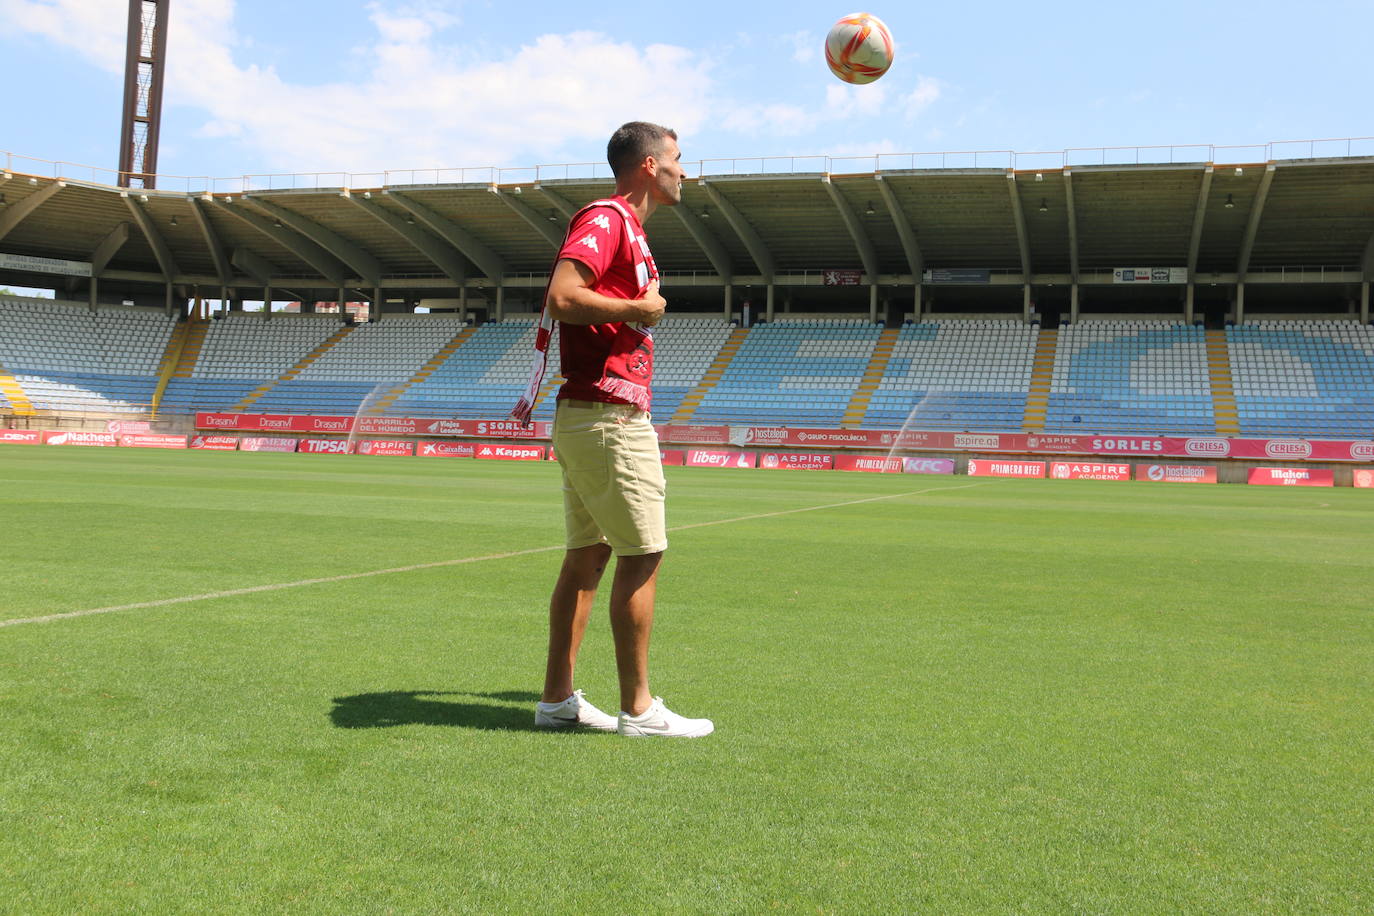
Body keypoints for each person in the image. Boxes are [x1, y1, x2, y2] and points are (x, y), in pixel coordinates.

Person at [513, 121, 713, 738]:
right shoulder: (606, 219)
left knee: (587, 557)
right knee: (642, 553)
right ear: (649, 166)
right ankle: (640, 710)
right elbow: (563, 297)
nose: (687, 170)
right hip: (608, 419)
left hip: (590, 414)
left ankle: (557, 701)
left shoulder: (625, 227)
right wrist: (638, 308)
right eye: (678, 159)